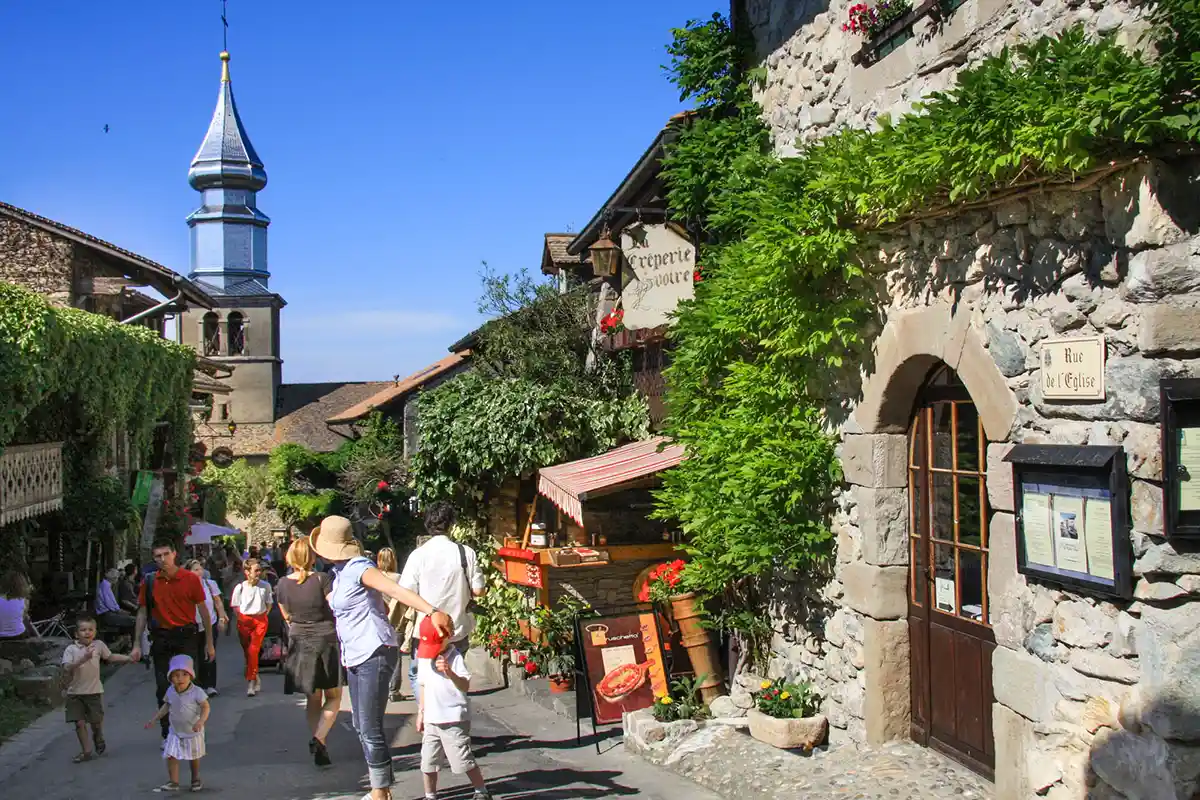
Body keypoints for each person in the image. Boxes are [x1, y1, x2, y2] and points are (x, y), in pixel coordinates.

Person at [309, 515, 454, 800]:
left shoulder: (359, 568)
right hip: (356, 654)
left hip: (374, 651)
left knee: (370, 726)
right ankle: (381, 787)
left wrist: (431, 610)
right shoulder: (339, 573)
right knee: (363, 725)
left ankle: (380, 790)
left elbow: (395, 590)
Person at [131, 538, 215, 741]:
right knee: (163, 686)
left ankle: (190, 728)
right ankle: (167, 731)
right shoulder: (150, 581)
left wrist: (209, 643)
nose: (162, 559)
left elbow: (203, 611)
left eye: (166, 554)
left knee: (186, 684)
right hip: (161, 637)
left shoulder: (190, 579)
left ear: (174, 554)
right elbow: (142, 612)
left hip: (186, 637)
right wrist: (135, 644)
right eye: (158, 556)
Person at [399, 502, 485, 699]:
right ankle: (452, 716)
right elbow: (479, 590)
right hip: (457, 629)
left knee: (420, 676)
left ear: (428, 524)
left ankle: (427, 712)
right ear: (451, 525)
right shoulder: (466, 553)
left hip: (427, 631)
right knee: (454, 673)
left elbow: (404, 591)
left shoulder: (418, 555)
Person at [276, 537, 341, 767]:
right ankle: (319, 737)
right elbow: (336, 606)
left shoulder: (282, 584)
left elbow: (285, 614)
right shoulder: (322, 579)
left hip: (300, 640)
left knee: (312, 697)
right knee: (334, 696)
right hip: (325, 638)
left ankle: (317, 739)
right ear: (312, 557)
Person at [416, 616, 491, 800]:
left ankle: (481, 791)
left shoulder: (455, 657)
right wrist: (421, 711)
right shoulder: (424, 658)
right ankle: (430, 795)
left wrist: (450, 672)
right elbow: (423, 684)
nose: (431, 651)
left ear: (448, 637)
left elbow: (465, 686)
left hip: (453, 718)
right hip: (432, 718)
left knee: (462, 760)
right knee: (428, 762)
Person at [61, 613, 132, 762]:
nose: (87, 633)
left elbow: (110, 657)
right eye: (83, 630)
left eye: (90, 629)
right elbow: (67, 667)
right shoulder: (71, 650)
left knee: (96, 722)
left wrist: (128, 658)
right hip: (75, 692)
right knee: (79, 723)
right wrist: (83, 659)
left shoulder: (98, 645)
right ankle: (86, 751)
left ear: (95, 632)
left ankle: (98, 736)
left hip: (94, 691)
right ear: (76, 634)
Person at [145, 654, 209, 793]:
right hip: (175, 731)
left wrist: (201, 721)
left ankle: (195, 779)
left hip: (193, 731)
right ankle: (174, 781)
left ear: (191, 676)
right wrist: (155, 719)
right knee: (171, 755)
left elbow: (205, 707)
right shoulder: (170, 690)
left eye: (184, 674)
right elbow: (166, 706)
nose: (180, 679)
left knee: (193, 757)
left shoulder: (196, 692)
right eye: (176, 675)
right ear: (170, 678)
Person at [376, 547, 416, 701]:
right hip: (397, 622)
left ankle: (379, 688)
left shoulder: (375, 578)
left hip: (379, 622)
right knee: (396, 657)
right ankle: (394, 690)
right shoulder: (400, 578)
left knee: (379, 656)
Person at [230, 558, 273, 696]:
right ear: (247, 572)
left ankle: (251, 682)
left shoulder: (265, 586)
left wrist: (264, 614)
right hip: (244, 620)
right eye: (256, 570)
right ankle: (256, 676)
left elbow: (269, 603)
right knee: (247, 652)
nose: (259, 573)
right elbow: (235, 606)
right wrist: (241, 618)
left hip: (259, 620)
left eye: (260, 570)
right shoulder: (240, 587)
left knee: (253, 650)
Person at [186, 559, 227, 696]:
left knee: (210, 652)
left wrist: (221, 617)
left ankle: (210, 684)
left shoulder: (210, 584)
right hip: (192, 625)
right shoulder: (185, 586)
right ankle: (197, 685)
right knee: (195, 655)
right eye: (195, 569)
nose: (199, 572)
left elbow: (218, 602)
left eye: (200, 569)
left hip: (211, 623)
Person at [0, 570, 39, 640]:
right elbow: (23, 618)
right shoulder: (25, 600)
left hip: (1, 637)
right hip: (19, 635)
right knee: (25, 623)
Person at [94, 568, 135, 632]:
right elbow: (110, 604)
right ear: (114, 578)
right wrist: (120, 611)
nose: (117, 580)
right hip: (106, 615)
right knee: (134, 620)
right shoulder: (105, 586)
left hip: (108, 613)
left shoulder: (106, 585)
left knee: (132, 617)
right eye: (117, 578)